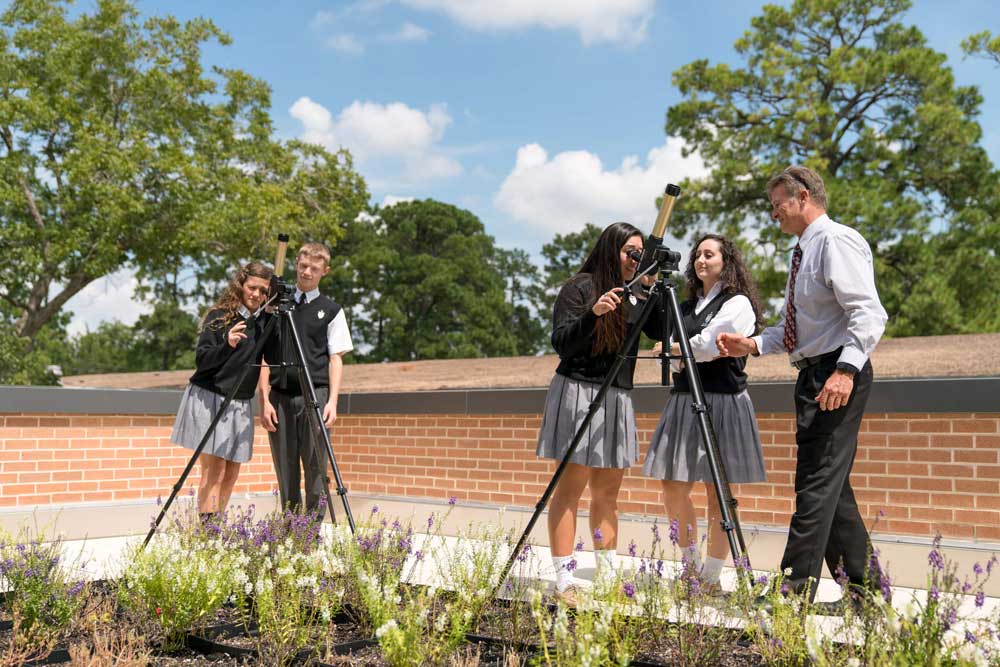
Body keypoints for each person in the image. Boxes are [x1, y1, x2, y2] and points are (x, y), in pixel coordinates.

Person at [717, 165, 888, 610]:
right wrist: (751, 343)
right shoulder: (803, 253)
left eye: (778, 205)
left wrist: (845, 372)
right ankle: (868, 599)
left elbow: (868, 315)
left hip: (836, 375)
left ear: (804, 196)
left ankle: (792, 593)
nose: (774, 214)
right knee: (830, 490)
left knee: (814, 486)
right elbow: (798, 331)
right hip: (813, 375)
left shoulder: (835, 241)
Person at [536, 221, 661, 605]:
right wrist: (593, 314)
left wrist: (651, 286)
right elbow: (561, 343)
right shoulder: (581, 287)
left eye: (640, 253)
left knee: (608, 493)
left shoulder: (639, 293)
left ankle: (608, 580)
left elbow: (663, 331)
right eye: (630, 251)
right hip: (578, 391)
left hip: (618, 397)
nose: (635, 259)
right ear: (612, 250)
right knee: (570, 490)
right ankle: (564, 582)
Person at [643, 234, 766, 595]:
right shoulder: (684, 307)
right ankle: (691, 565)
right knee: (672, 485)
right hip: (684, 401)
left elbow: (717, 344)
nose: (700, 260)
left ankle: (712, 576)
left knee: (719, 493)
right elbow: (663, 342)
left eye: (709, 254)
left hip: (724, 401)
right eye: (697, 254)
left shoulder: (738, 303)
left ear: (726, 262)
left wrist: (678, 348)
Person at [170, 261, 274, 521]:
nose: (256, 295)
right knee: (214, 471)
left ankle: (216, 526)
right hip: (211, 397)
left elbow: (266, 362)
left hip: (240, 402)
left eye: (263, 291)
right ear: (241, 285)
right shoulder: (219, 316)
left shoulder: (263, 323)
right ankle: (207, 535)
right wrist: (227, 344)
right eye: (252, 287)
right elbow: (202, 360)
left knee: (231, 474)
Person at [259, 242, 353, 522]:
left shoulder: (332, 310)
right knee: (285, 471)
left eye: (314, 267)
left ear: (325, 270)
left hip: (316, 397)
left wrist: (333, 403)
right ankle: (290, 532)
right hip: (280, 398)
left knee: (315, 470)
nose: (307, 271)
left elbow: (335, 359)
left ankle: (310, 535)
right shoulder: (275, 308)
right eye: (302, 265)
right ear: (296, 264)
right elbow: (264, 358)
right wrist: (264, 401)